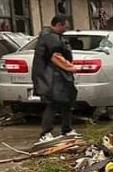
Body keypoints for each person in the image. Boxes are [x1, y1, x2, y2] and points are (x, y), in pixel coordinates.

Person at [32, 15, 78, 143]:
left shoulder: (50, 37)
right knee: (52, 103)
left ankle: (67, 129)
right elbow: (56, 57)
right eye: (65, 26)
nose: (66, 29)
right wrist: (70, 68)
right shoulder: (51, 39)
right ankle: (46, 133)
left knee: (66, 102)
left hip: (56, 76)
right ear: (58, 25)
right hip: (53, 77)